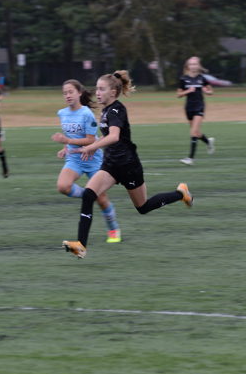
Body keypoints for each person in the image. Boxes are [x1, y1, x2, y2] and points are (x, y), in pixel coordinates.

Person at [62, 70, 193, 259]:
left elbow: (114, 136)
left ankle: (181, 194)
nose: (97, 92)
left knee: (143, 207)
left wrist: (92, 147)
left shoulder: (117, 110)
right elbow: (107, 137)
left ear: (113, 92)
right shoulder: (106, 110)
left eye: (101, 89)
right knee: (89, 195)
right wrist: (85, 146)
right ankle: (81, 245)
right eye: (97, 89)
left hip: (128, 165)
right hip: (111, 165)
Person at [51, 79, 121, 243]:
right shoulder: (62, 113)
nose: (67, 95)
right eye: (65, 93)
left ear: (79, 93)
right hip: (75, 158)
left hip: (93, 159)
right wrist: (65, 147)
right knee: (63, 186)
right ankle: (88, 195)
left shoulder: (86, 114)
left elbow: (90, 140)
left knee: (102, 199)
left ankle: (113, 228)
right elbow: (72, 136)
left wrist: (67, 141)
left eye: (70, 92)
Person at [177, 56, 215, 165]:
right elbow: (178, 94)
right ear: (188, 66)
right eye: (191, 64)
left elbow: (211, 91)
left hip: (199, 106)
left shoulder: (202, 78)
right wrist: (188, 91)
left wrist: (206, 91)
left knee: (193, 132)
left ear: (198, 66)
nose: (193, 66)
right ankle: (208, 142)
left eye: (195, 64)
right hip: (189, 108)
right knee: (196, 133)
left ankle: (190, 158)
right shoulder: (183, 79)